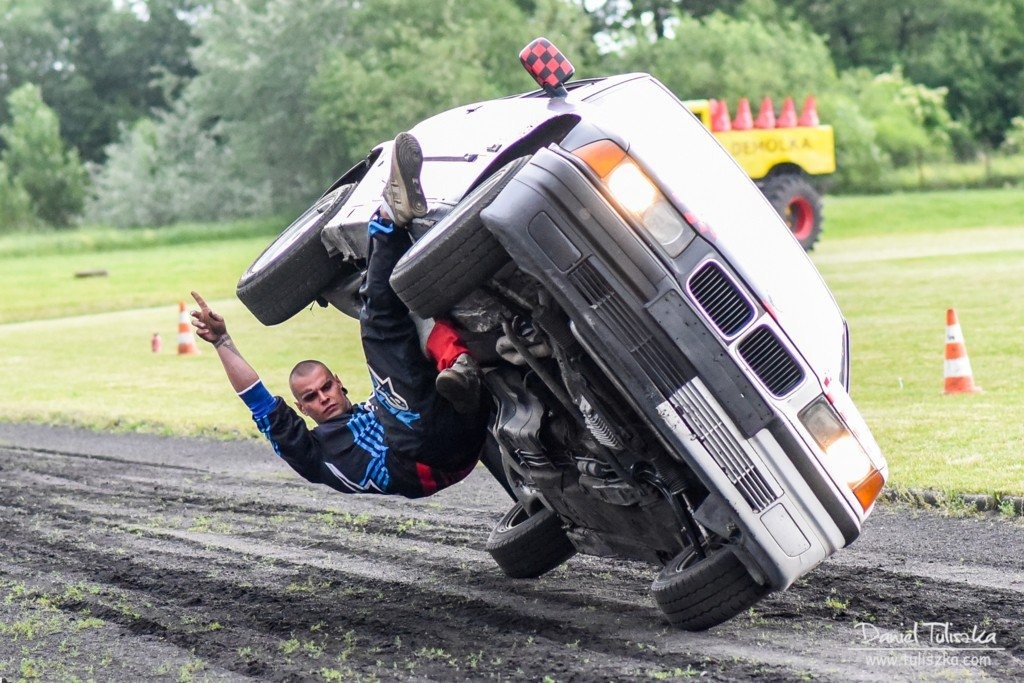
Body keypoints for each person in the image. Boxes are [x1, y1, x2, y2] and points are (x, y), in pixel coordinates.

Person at [191, 133, 489, 498]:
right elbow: (257, 400)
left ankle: (469, 361)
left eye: (326, 387)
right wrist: (222, 341)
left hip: (466, 432)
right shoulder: (314, 454)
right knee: (378, 326)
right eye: (313, 397)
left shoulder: (374, 408)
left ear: (339, 381)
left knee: (415, 320)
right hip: (420, 455)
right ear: (303, 408)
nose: (324, 398)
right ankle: (388, 220)